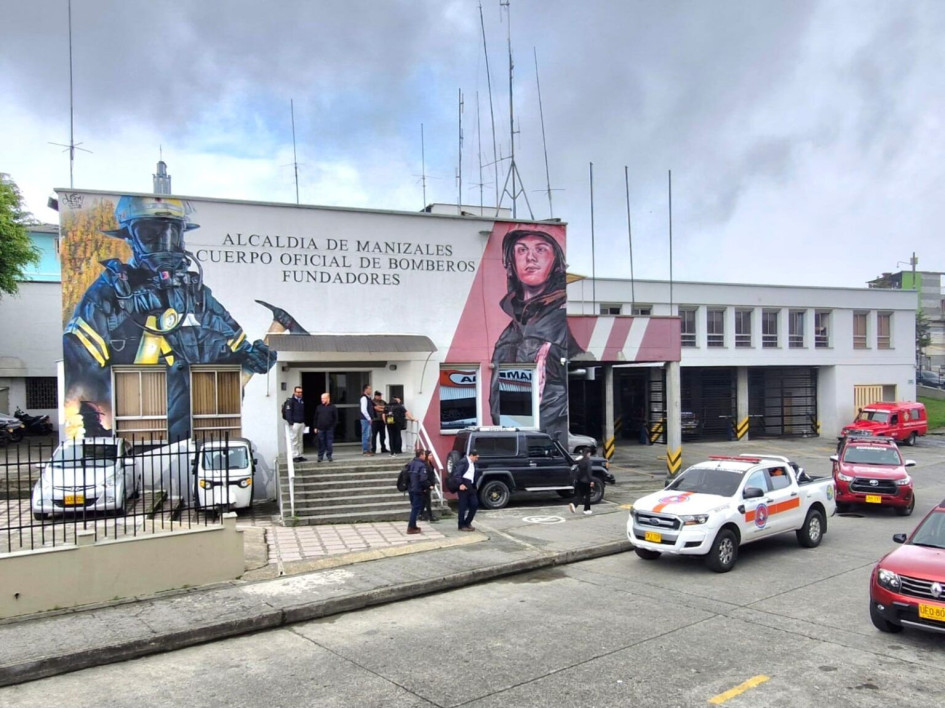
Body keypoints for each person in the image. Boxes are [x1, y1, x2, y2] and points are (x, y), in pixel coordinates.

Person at [62, 196, 273, 442]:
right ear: (129, 237)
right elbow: (80, 374)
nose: (166, 241)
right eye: (150, 232)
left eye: (174, 231)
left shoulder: (196, 295)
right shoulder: (107, 295)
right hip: (141, 438)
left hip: (206, 433)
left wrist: (255, 358)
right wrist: (95, 437)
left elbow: (237, 351)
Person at [489, 229, 581, 446]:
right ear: (511, 261)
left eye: (541, 249)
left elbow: (555, 397)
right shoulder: (513, 327)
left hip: (540, 444)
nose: (530, 257)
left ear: (555, 261)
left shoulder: (558, 323)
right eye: (522, 250)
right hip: (516, 440)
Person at [454, 449, 481, 531]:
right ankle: (461, 525)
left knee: (474, 504)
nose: (477, 459)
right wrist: (460, 484)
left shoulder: (473, 464)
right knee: (463, 506)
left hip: (471, 485)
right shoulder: (463, 462)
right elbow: (457, 473)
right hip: (464, 484)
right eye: (476, 457)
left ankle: (467, 522)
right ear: (471, 455)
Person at [405, 450, 430, 535]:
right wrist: (428, 486)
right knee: (415, 509)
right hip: (417, 489)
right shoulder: (421, 466)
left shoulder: (411, 463)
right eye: (424, 454)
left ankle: (414, 525)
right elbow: (423, 479)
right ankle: (411, 527)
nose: (425, 456)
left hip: (410, 488)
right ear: (421, 455)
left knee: (414, 507)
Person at [568, 447, 595, 515]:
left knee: (580, 494)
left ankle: (574, 504)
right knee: (587, 495)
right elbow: (589, 472)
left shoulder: (580, 459)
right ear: (588, 453)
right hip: (586, 481)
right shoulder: (588, 461)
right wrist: (591, 480)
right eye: (589, 453)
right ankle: (587, 509)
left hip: (579, 480)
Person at [282, 386, 306, 462]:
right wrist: (291, 423)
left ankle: (299, 455)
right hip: (295, 423)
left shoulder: (301, 401)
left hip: (301, 423)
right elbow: (288, 413)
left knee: (300, 440)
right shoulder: (291, 401)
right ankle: (294, 456)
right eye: (298, 392)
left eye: (301, 392)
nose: (299, 393)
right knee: (294, 440)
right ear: (294, 392)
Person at [313, 392, 338, 463]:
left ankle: (329, 455)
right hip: (320, 428)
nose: (322, 400)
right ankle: (320, 456)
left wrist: (333, 426)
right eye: (321, 398)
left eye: (324, 398)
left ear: (328, 398)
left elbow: (336, 418)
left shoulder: (333, 407)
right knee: (321, 442)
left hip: (329, 428)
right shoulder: (319, 407)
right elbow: (315, 418)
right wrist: (315, 427)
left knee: (329, 443)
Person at [418, 449, 439, 522]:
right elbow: (424, 477)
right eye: (430, 455)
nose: (432, 456)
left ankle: (420, 514)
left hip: (429, 485)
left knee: (424, 501)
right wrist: (428, 485)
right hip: (426, 486)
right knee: (427, 501)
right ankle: (430, 516)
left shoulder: (430, 464)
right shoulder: (425, 465)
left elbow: (431, 475)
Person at [359, 384, 374, 455]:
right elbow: (363, 410)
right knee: (366, 435)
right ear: (366, 389)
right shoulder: (364, 398)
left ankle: (368, 449)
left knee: (369, 435)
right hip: (365, 419)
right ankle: (365, 450)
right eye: (369, 389)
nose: (370, 390)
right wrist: (369, 418)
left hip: (367, 419)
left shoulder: (368, 398)